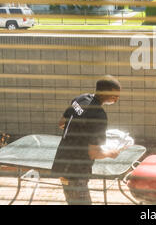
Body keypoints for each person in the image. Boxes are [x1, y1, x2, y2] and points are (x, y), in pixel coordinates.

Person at [52, 75, 126, 205]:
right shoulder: (99, 115)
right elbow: (94, 153)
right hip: (76, 169)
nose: (117, 99)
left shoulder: (80, 99)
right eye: (115, 96)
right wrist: (112, 153)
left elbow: (61, 123)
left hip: (61, 162)